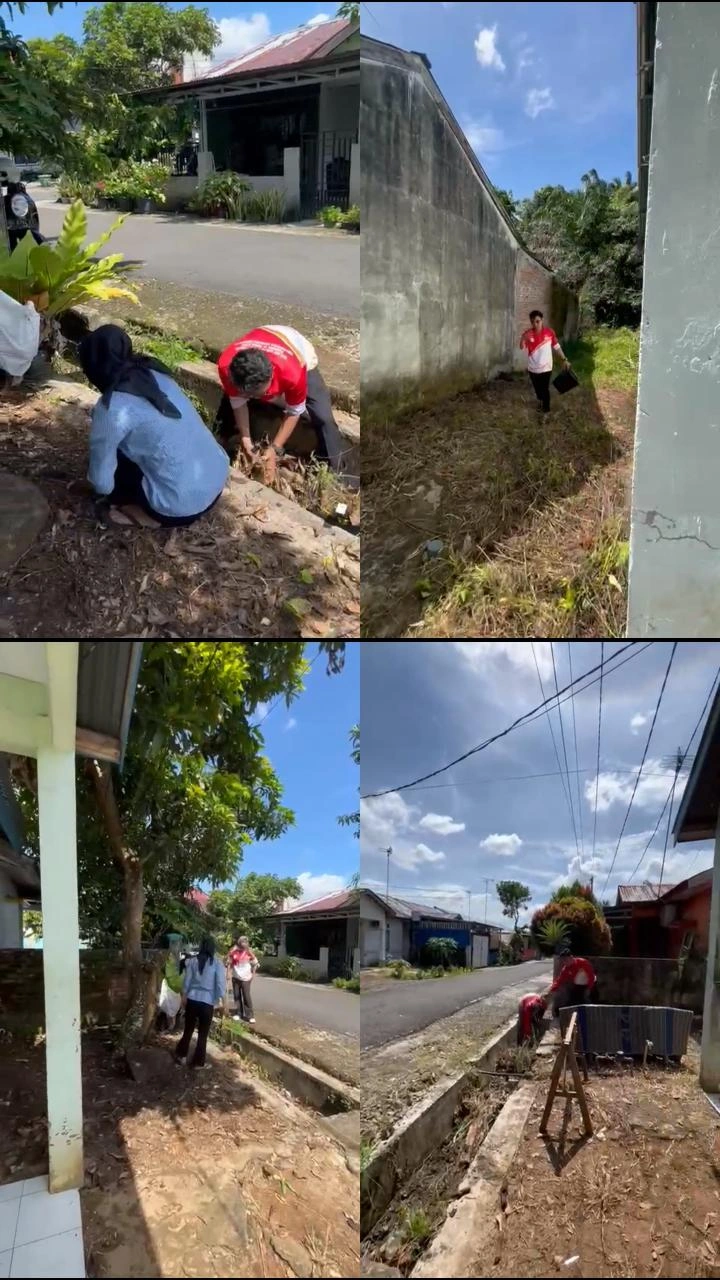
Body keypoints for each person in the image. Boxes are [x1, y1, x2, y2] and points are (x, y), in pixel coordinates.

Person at [79, 324, 229, 528]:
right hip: (216, 479)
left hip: (181, 508)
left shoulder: (112, 408)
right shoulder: (154, 372)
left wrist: (101, 487)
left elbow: (102, 483)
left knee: (114, 469)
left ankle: (145, 514)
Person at [215, 325, 348, 485]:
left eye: (261, 393)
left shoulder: (293, 372)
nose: (258, 398)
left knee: (323, 417)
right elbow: (237, 400)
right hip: (263, 335)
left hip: (296, 349)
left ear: (271, 375)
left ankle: (336, 476)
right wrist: (246, 439)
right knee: (227, 404)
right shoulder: (227, 367)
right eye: (249, 394)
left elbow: (294, 411)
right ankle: (221, 441)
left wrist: (275, 448)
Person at [174, 935, 226, 1069]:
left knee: (188, 1029)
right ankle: (198, 1063)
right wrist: (223, 1002)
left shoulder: (192, 961)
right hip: (207, 1002)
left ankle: (181, 1056)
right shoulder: (217, 963)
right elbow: (220, 985)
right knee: (203, 1034)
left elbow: (187, 981)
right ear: (213, 948)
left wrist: (184, 997)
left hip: (192, 999)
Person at [519, 309, 571, 415]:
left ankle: (546, 410)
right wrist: (522, 338)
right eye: (533, 322)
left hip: (546, 368)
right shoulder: (528, 334)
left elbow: (557, 347)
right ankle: (540, 401)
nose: (535, 324)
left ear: (542, 320)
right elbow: (521, 347)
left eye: (537, 321)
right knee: (538, 389)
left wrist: (564, 359)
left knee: (545, 389)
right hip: (533, 369)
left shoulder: (549, 332)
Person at [544, 945, 597, 1017]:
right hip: (578, 987)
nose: (564, 962)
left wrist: (589, 988)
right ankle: (563, 1013)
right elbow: (559, 981)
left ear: (571, 957)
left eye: (566, 960)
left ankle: (589, 1014)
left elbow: (591, 976)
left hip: (590, 984)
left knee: (585, 1000)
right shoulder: (566, 969)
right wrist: (551, 991)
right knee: (572, 1001)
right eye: (563, 960)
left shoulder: (582, 962)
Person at [227, 935, 259, 1023]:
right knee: (237, 996)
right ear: (239, 943)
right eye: (242, 942)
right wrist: (228, 973)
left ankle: (250, 1015)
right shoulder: (234, 952)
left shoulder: (249, 952)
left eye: (245, 942)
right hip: (236, 977)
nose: (243, 944)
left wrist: (253, 975)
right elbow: (229, 963)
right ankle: (238, 1013)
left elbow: (255, 963)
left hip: (246, 978)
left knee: (246, 996)